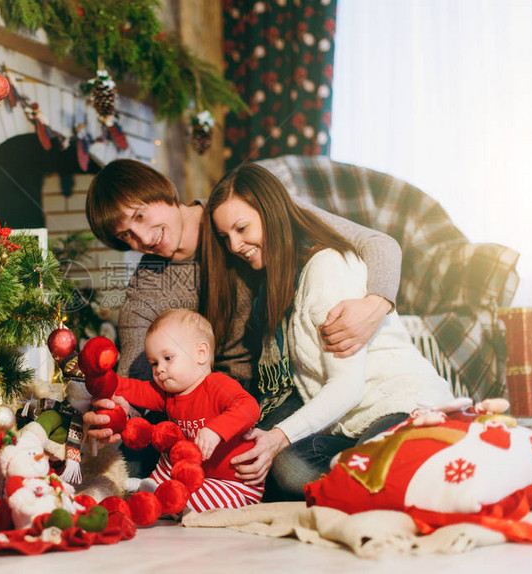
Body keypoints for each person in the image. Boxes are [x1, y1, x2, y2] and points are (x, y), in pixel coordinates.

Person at [84, 159, 402, 478]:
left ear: (164, 191)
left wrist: (376, 304)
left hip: (278, 387)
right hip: (207, 403)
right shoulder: (149, 281)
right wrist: (119, 408)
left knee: (282, 471)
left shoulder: (236, 213)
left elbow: (378, 244)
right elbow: (137, 359)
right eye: (126, 236)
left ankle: (390, 458)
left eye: (140, 216)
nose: (142, 237)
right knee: (147, 459)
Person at [201, 163, 455, 498]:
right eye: (225, 237)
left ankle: (422, 455)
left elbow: (347, 387)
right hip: (348, 425)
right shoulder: (281, 283)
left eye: (242, 228)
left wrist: (277, 436)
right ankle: (365, 479)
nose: (234, 246)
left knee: (372, 467)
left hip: (401, 405)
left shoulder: (325, 269)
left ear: (272, 213)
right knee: (289, 468)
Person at [111, 308, 263, 512]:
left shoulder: (217, 385)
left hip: (235, 483)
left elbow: (249, 407)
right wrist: (106, 382)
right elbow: (135, 389)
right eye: (154, 363)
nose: (159, 369)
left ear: (200, 354)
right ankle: (156, 489)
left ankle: (161, 496)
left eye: (168, 358)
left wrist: (216, 430)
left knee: (191, 501)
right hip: (196, 475)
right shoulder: (168, 393)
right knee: (170, 453)